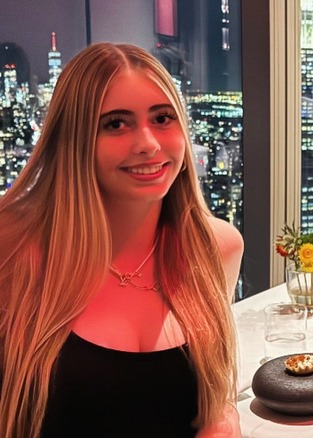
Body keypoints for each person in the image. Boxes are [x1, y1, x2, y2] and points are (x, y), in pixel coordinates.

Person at [0, 43, 244, 437]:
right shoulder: (11, 247)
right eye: (116, 124)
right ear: (73, 139)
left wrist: (222, 421)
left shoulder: (216, 247)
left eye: (163, 118)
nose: (148, 143)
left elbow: (213, 396)